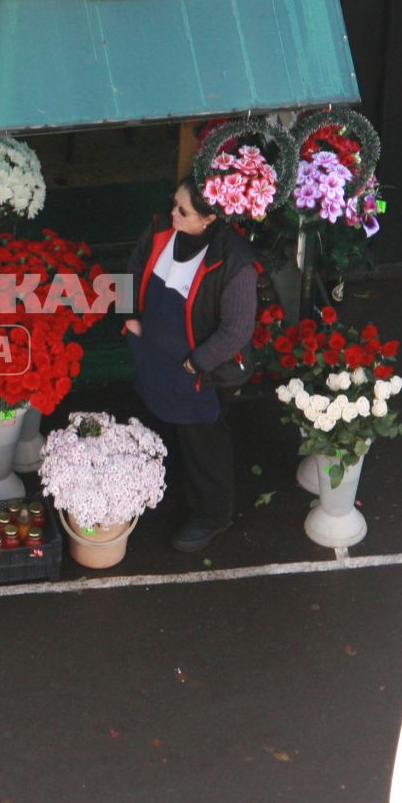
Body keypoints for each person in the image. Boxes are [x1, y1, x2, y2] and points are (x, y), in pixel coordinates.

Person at [122, 178, 259, 553]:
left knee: (203, 444)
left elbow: (236, 331)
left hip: (197, 375)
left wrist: (194, 364)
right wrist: (129, 317)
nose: (172, 213)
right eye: (174, 204)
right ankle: (163, 490)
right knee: (158, 425)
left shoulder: (236, 264)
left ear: (210, 218)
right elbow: (131, 267)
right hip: (153, 359)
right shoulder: (160, 229)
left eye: (183, 211)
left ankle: (213, 514)